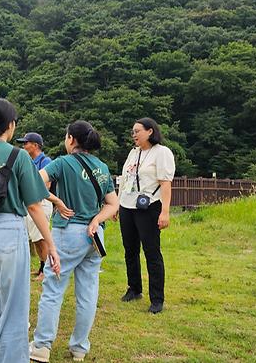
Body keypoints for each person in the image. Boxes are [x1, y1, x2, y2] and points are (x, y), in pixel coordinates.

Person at [0, 98, 61, 363]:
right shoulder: (18, 156)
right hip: (8, 230)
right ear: (11, 125)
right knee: (14, 308)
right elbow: (34, 206)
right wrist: (50, 244)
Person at [29, 120, 120, 362]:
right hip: (94, 236)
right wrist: (96, 219)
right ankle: (79, 348)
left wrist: (55, 201)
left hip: (67, 233)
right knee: (88, 293)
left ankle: (41, 346)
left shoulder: (61, 163)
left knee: (53, 290)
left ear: (71, 139)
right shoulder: (101, 167)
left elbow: (31, 183)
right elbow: (113, 204)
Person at [117, 117, 175, 314]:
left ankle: (157, 299)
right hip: (127, 205)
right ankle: (134, 288)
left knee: (152, 252)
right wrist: (117, 204)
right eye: (132, 132)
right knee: (130, 250)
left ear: (150, 131)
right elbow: (124, 180)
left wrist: (165, 212)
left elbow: (166, 183)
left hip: (148, 206)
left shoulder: (161, 153)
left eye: (137, 131)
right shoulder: (133, 154)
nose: (134, 135)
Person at [15, 132, 54, 282]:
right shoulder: (28, 161)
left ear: (36, 145)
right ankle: (41, 267)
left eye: (26, 143)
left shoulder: (45, 161)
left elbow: (46, 184)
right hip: (29, 202)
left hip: (41, 202)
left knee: (41, 238)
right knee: (34, 238)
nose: (23, 146)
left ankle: (46, 270)